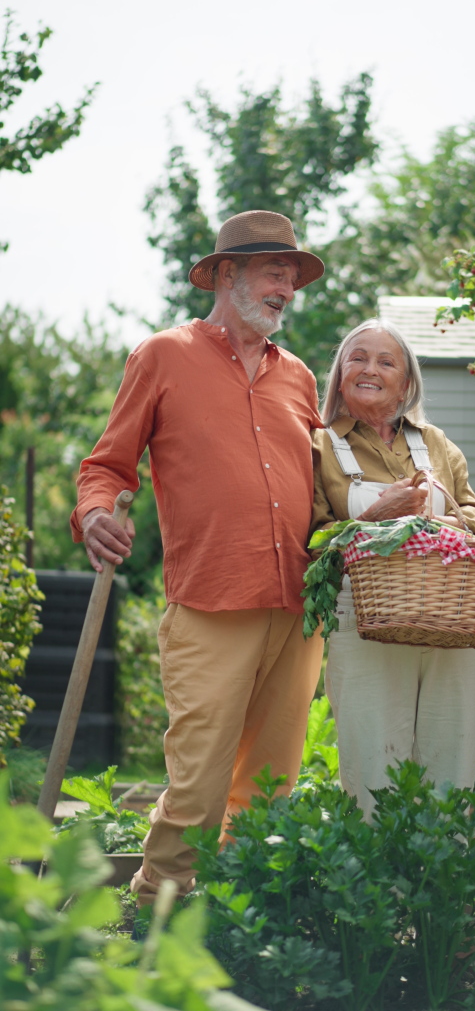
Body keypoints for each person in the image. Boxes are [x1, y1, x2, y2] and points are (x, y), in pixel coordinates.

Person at [70, 210, 325, 904]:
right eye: (275, 270)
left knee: (269, 788)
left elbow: (331, 482)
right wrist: (95, 512)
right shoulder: (163, 355)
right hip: (210, 602)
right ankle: (155, 910)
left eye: (292, 275)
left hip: (299, 609)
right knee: (198, 786)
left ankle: (237, 926)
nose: (286, 287)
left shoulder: (299, 378)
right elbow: (106, 463)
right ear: (225, 274)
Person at [311, 318, 475, 819]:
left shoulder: (436, 444)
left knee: (449, 770)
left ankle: (442, 889)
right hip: (365, 619)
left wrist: (435, 525)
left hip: (453, 617)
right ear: (339, 375)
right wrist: (374, 517)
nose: (369, 369)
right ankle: (375, 894)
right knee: (372, 774)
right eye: (357, 358)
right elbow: (309, 541)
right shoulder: (318, 445)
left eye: (385, 361)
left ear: (407, 383)